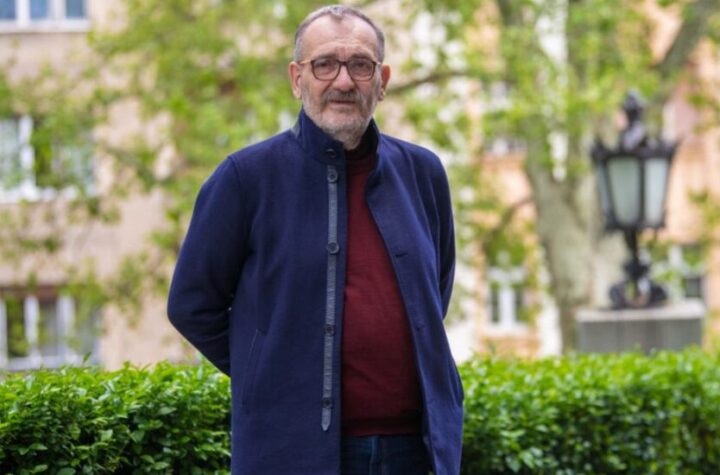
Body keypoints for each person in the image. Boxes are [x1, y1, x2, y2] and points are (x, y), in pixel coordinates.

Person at [167, 5, 463, 474]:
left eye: (360, 65)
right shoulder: (245, 178)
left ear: (382, 80)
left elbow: (432, 293)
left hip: (416, 451)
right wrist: (271, 372)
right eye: (324, 64)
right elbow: (191, 305)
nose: (343, 81)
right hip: (291, 453)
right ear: (297, 78)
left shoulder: (422, 173)